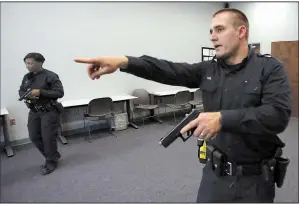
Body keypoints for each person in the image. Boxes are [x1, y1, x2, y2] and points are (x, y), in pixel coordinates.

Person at [74, 8, 292, 202]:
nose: (212, 37)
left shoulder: (269, 69)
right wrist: (125, 61)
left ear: (241, 31)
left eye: (219, 29)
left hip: (255, 180)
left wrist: (222, 119)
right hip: (215, 174)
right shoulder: (208, 70)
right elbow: (168, 69)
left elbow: (277, 115)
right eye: (210, 31)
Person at [19, 52, 64, 175]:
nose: (27, 66)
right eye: (26, 63)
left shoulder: (50, 76)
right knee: (34, 136)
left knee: (48, 138)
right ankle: (53, 155)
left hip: (48, 111)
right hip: (34, 111)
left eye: (30, 63)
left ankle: (51, 161)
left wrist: (40, 92)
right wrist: (27, 97)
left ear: (40, 63)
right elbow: (21, 91)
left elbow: (59, 93)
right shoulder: (27, 77)